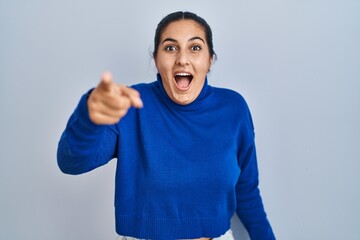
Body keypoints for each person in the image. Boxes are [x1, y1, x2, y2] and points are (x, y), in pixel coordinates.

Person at [57, 11, 276, 240]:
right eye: (170, 48)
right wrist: (89, 117)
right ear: (156, 60)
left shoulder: (234, 109)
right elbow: (71, 163)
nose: (182, 59)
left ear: (210, 60)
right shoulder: (131, 103)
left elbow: (247, 191)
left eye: (195, 48)